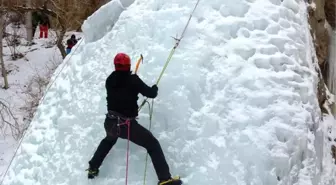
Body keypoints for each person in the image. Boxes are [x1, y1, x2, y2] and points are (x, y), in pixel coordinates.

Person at [87, 53, 182, 185]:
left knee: (109, 140)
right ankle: (165, 179)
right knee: (153, 145)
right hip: (126, 125)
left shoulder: (109, 80)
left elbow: (121, 90)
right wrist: (153, 88)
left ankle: (93, 167)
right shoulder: (133, 80)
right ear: (128, 65)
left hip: (110, 122)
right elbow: (151, 93)